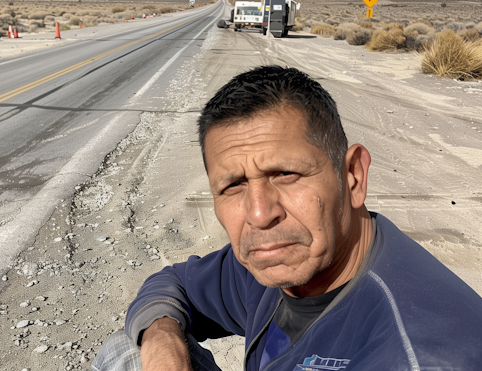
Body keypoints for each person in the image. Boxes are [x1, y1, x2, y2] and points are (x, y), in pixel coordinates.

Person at [93, 65, 482, 371]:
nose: (260, 215)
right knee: (131, 347)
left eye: (286, 175)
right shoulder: (273, 262)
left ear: (353, 177)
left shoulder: (418, 354)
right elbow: (174, 283)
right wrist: (162, 340)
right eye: (233, 186)